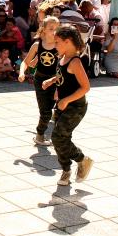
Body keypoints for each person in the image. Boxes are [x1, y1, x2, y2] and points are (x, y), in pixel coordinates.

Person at [39, 25, 94, 186]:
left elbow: (85, 87)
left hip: (75, 107)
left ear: (68, 42)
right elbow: (63, 76)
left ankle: (82, 159)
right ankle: (66, 170)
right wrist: (52, 80)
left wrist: (67, 100)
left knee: (57, 137)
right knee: (60, 139)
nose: (55, 45)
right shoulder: (62, 58)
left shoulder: (75, 62)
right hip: (62, 105)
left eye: (57, 42)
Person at [19, 16, 59, 146]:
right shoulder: (37, 45)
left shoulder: (60, 45)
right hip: (40, 79)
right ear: (44, 30)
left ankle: (58, 135)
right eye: (51, 28)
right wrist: (21, 73)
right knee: (45, 111)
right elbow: (25, 63)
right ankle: (40, 135)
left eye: (56, 28)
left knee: (56, 107)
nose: (54, 31)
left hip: (56, 80)